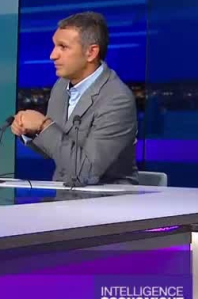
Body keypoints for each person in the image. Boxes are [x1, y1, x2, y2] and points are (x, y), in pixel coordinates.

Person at [11, 11, 138, 185]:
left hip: (108, 197)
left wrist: (43, 125)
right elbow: (56, 150)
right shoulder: (61, 87)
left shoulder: (117, 100)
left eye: (63, 47)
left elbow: (87, 172)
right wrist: (29, 131)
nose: (52, 55)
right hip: (64, 194)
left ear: (91, 52)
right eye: (55, 46)